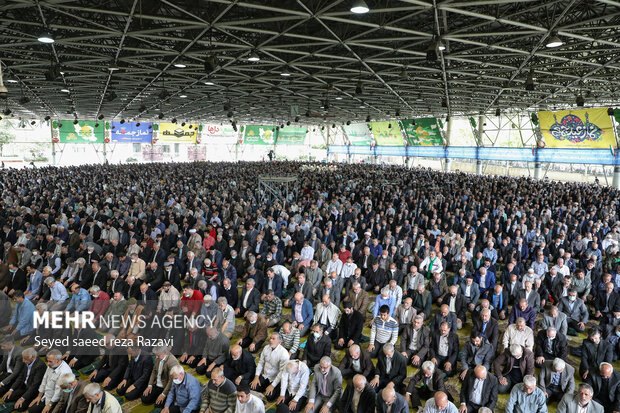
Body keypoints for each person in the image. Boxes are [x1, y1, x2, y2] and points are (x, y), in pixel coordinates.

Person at [251, 332, 290, 400]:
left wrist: (272, 385)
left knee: (269, 397)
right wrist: (256, 376)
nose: (271, 340)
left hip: (275, 378)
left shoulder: (284, 353)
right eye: (270, 338)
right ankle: (264, 386)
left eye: (273, 339)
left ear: (279, 341)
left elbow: (282, 372)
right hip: (265, 375)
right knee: (252, 388)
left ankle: (273, 388)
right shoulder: (266, 348)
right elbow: (261, 363)